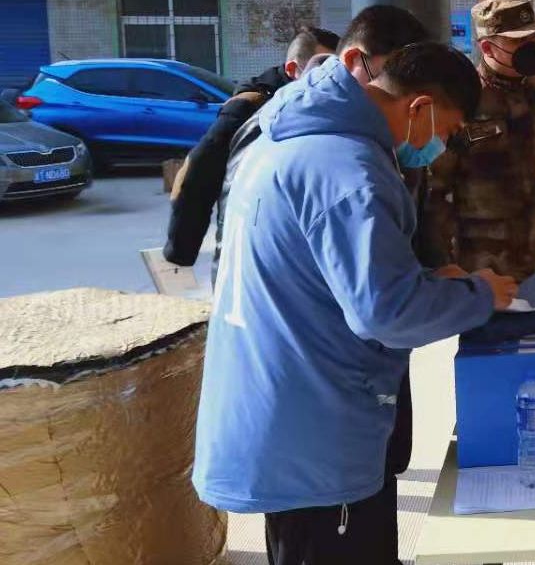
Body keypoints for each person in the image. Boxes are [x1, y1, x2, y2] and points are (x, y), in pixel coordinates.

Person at [192, 40, 518, 565]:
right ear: (420, 107)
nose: (440, 147)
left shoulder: (295, 138)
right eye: (448, 131)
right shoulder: (350, 171)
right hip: (315, 436)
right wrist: (480, 294)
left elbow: (326, 274)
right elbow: (387, 313)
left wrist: (429, 278)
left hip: (286, 411)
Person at [422, 0, 535, 281]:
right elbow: (435, 190)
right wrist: (448, 263)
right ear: (487, 47)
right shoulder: (462, 101)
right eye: (519, 41)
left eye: (533, 38)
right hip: (487, 267)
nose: (531, 47)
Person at [163, 25, 339, 271]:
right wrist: (181, 251)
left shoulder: (321, 105)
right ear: (292, 69)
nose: (331, 79)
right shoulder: (249, 108)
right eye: (322, 67)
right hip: (244, 249)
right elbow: (198, 172)